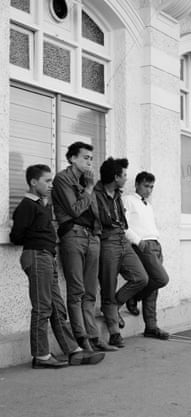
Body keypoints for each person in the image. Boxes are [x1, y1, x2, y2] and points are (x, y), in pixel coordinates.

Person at [10, 164, 105, 368]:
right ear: (33, 182)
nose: (50, 185)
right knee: (43, 308)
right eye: (47, 181)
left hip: (47, 257)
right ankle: (41, 356)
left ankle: (74, 351)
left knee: (57, 309)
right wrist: (37, 239)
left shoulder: (44, 205)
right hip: (36, 256)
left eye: (52, 181)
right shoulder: (27, 205)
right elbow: (16, 236)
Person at [52, 142, 117, 352]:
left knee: (90, 291)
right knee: (77, 291)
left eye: (91, 158)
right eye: (85, 157)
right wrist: (89, 189)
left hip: (92, 238)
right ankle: (81, 338)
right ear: (72, 158)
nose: (90, 161)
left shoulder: (89, 180)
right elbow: (74, 210)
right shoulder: (63, 179)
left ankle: (94, 336)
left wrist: (98, 234)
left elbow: (96, 212)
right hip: (74, 235)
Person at [94, 158, 148, 348]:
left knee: (141, 277)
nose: (126, 178)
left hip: (122, 239)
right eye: (124, 175)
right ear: (115, 177)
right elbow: (100, 220)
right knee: (108, 286)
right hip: (107, 241)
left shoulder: (117, 194)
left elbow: (120, 221)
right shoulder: (96, 194)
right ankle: (114, 333)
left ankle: (112, 306)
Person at [122, 172, 170, 340]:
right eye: (146, 186)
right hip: (143, 245)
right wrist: (138, 241)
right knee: (162, 279)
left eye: (151, 187)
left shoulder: (147, 205)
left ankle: (151, 326)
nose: (149, 190)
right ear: (137, 185)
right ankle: (133, 296)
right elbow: (124, 225)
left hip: (155, 244)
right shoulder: (128, 199)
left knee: (154, 287)